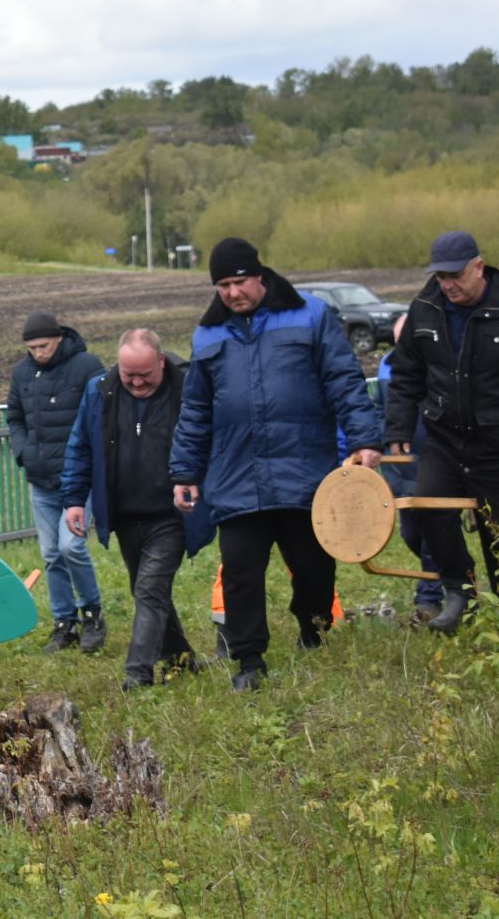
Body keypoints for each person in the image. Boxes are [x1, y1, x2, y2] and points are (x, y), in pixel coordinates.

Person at [171, 238, 383, 691]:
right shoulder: (208, 334)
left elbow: (344, 380)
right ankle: (249, 661)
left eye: (239, 281)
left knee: (314, 569)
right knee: (241, 573)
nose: (231, 293)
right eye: (222, 285)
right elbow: (195, 411)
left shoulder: (311, 316)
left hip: (303, 474)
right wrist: (185, 472)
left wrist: (364, 438)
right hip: (236, 477)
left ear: (260, 276)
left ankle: (313, 624)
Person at [386, 231, 499, 632]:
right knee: (429, 505)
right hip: (445, 439)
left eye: (455, 275)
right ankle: (458, 590)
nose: (448, 285)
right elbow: (406, 373)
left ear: (478, 267)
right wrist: (397, 425)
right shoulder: (425, 308)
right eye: (440, 276)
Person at [59, 330, 213, 692]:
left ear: (161, 361)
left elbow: (208, 441)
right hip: (125, 514)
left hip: (172, 515)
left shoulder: (188, 389)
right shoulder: (100, 391)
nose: (137, 382)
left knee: (149, 588)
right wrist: (73, 499)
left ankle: (137, 675)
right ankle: (179, 659)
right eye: (129, 375)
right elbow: (80, 446)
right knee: (148, 591)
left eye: (145, 374)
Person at [7, 310, 107, 653]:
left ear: (59, 338)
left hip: (78, 480)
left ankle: (93, 612)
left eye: (43, 346)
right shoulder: (22, 373)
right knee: (51, 554)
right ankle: (65, 623)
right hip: (40, 480)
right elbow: (15, 417)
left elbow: (104, 413)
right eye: (31, 347)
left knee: (71, 547)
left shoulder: (87, 367)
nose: (38, 353)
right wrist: (23, 452)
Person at [376, 315, 443, 622]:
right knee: (411, 534)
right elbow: (380, 409)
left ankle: (428, 601)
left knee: (434, 535)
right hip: (400, 471)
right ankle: (456, 575)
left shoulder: (441, 366)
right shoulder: (387, 367)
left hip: (437, 466)